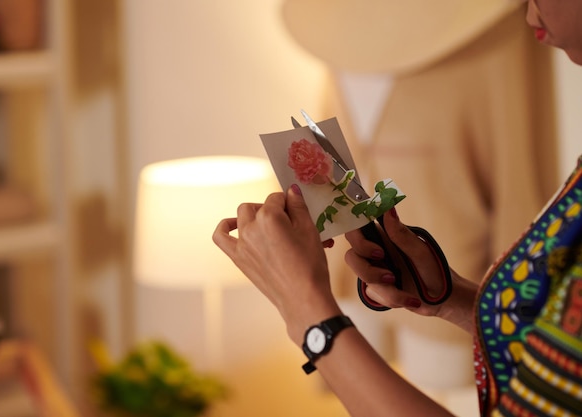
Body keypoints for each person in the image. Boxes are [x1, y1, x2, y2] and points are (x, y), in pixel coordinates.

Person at [213, 1, 582, 416]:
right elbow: (554, 349)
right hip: (399, 277)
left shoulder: (493, 38)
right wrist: (452, 298)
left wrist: (305, 309)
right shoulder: (344, 33)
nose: (527, 12)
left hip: (462, 251)